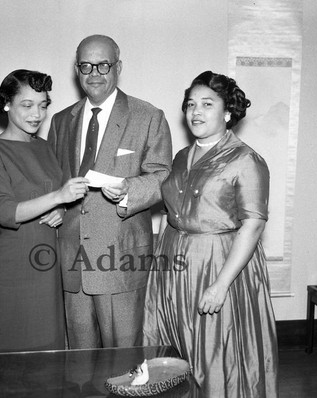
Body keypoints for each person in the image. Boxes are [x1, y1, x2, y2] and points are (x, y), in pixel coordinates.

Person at [143, 71, 279, 396]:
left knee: (216, 354)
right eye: (191, 104)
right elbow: (169, 213)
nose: (196, 112)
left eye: (207, 104)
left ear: (228, 112)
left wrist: (220, 285)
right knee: (174, 349)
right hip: (173, 264)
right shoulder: (180, 158)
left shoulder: (247, 159)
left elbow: (254, 224)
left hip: (219, 267)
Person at [47, 34, 173, 349]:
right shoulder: (62, 121)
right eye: (85, 66)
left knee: (123, 359)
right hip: (73, 261)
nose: (94, 74)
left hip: (120, 260)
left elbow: (163, 176)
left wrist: (131, 189)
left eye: (103, 65)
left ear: (118, 67)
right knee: (80, 361)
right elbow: (54, 182)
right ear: (76, 70)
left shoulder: (148, 116)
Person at [0, 70, 89, 353]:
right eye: (27, 105)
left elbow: (54, 200)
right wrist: (58, 197)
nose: (37, 114)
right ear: (5, 104)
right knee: (14, 350)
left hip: (48, 262)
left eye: (43, 105)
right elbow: (4, 211)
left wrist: (61, 209)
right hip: (15, 265)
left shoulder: (44, 147)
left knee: (49, 349)